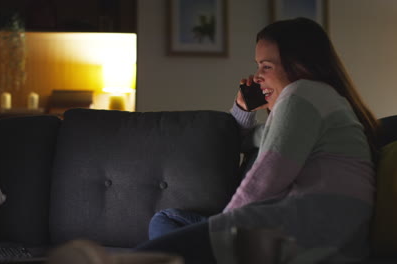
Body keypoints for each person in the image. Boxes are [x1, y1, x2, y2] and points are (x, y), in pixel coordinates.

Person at [136, 17, 380, 264]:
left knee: (142, 257)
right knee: (167, 219)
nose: (257, 76)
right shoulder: (324, 102)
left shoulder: (303, 93)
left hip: (300, 235)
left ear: (299, 65)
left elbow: (266, 178)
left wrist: (225, 227)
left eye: (266, 67)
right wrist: (244, 108)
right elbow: (246, 141)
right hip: (319, 235)